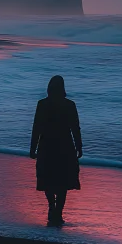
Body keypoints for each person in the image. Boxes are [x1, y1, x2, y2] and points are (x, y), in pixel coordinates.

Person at [30, 75, 82, 225]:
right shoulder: (69, 105)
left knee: (48, 179)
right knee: (62, 181)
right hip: (65, 146)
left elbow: (36, 128)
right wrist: (79, 146)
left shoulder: (42, 104)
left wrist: (33, 148)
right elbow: (75, 128)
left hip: (46, 146)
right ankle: (58, 212)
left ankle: (51, 207)